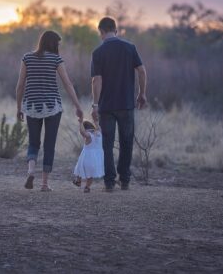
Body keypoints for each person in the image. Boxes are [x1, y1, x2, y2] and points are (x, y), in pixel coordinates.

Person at [16, 30, 83, 192]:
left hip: (31, 105)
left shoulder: (27, 58)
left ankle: (31, 171)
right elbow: (67, 84)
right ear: (53, 43)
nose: (59, 47)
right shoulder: (56, 59)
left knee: (33, 142)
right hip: (52, 106)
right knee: (49, 144)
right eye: (58, 44)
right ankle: (44, 184)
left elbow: (20, 85)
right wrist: (77, 106)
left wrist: (19, 107)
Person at [91, 17, 147, 192]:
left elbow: (96, 81)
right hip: (126, 104)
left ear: (101, 31)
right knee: (126, 142)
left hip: (106, 106)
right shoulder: (130, 48)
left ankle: (109, 182)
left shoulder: (98, 52)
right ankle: (124, 180)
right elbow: (142, 71)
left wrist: (95, 104)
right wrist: (142, 93)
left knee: (106, 144)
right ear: (115, 30)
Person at [73, 119, 104, 193]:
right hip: (97, 159)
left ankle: (78, 181)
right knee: (90, 174)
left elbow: (82, 132)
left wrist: (80, 123)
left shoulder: (89, 135)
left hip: (87, 158)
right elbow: (98, 127)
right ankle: (87, 187)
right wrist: (96, 121)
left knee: (80, 168)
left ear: (85, 129)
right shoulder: (99, 133)